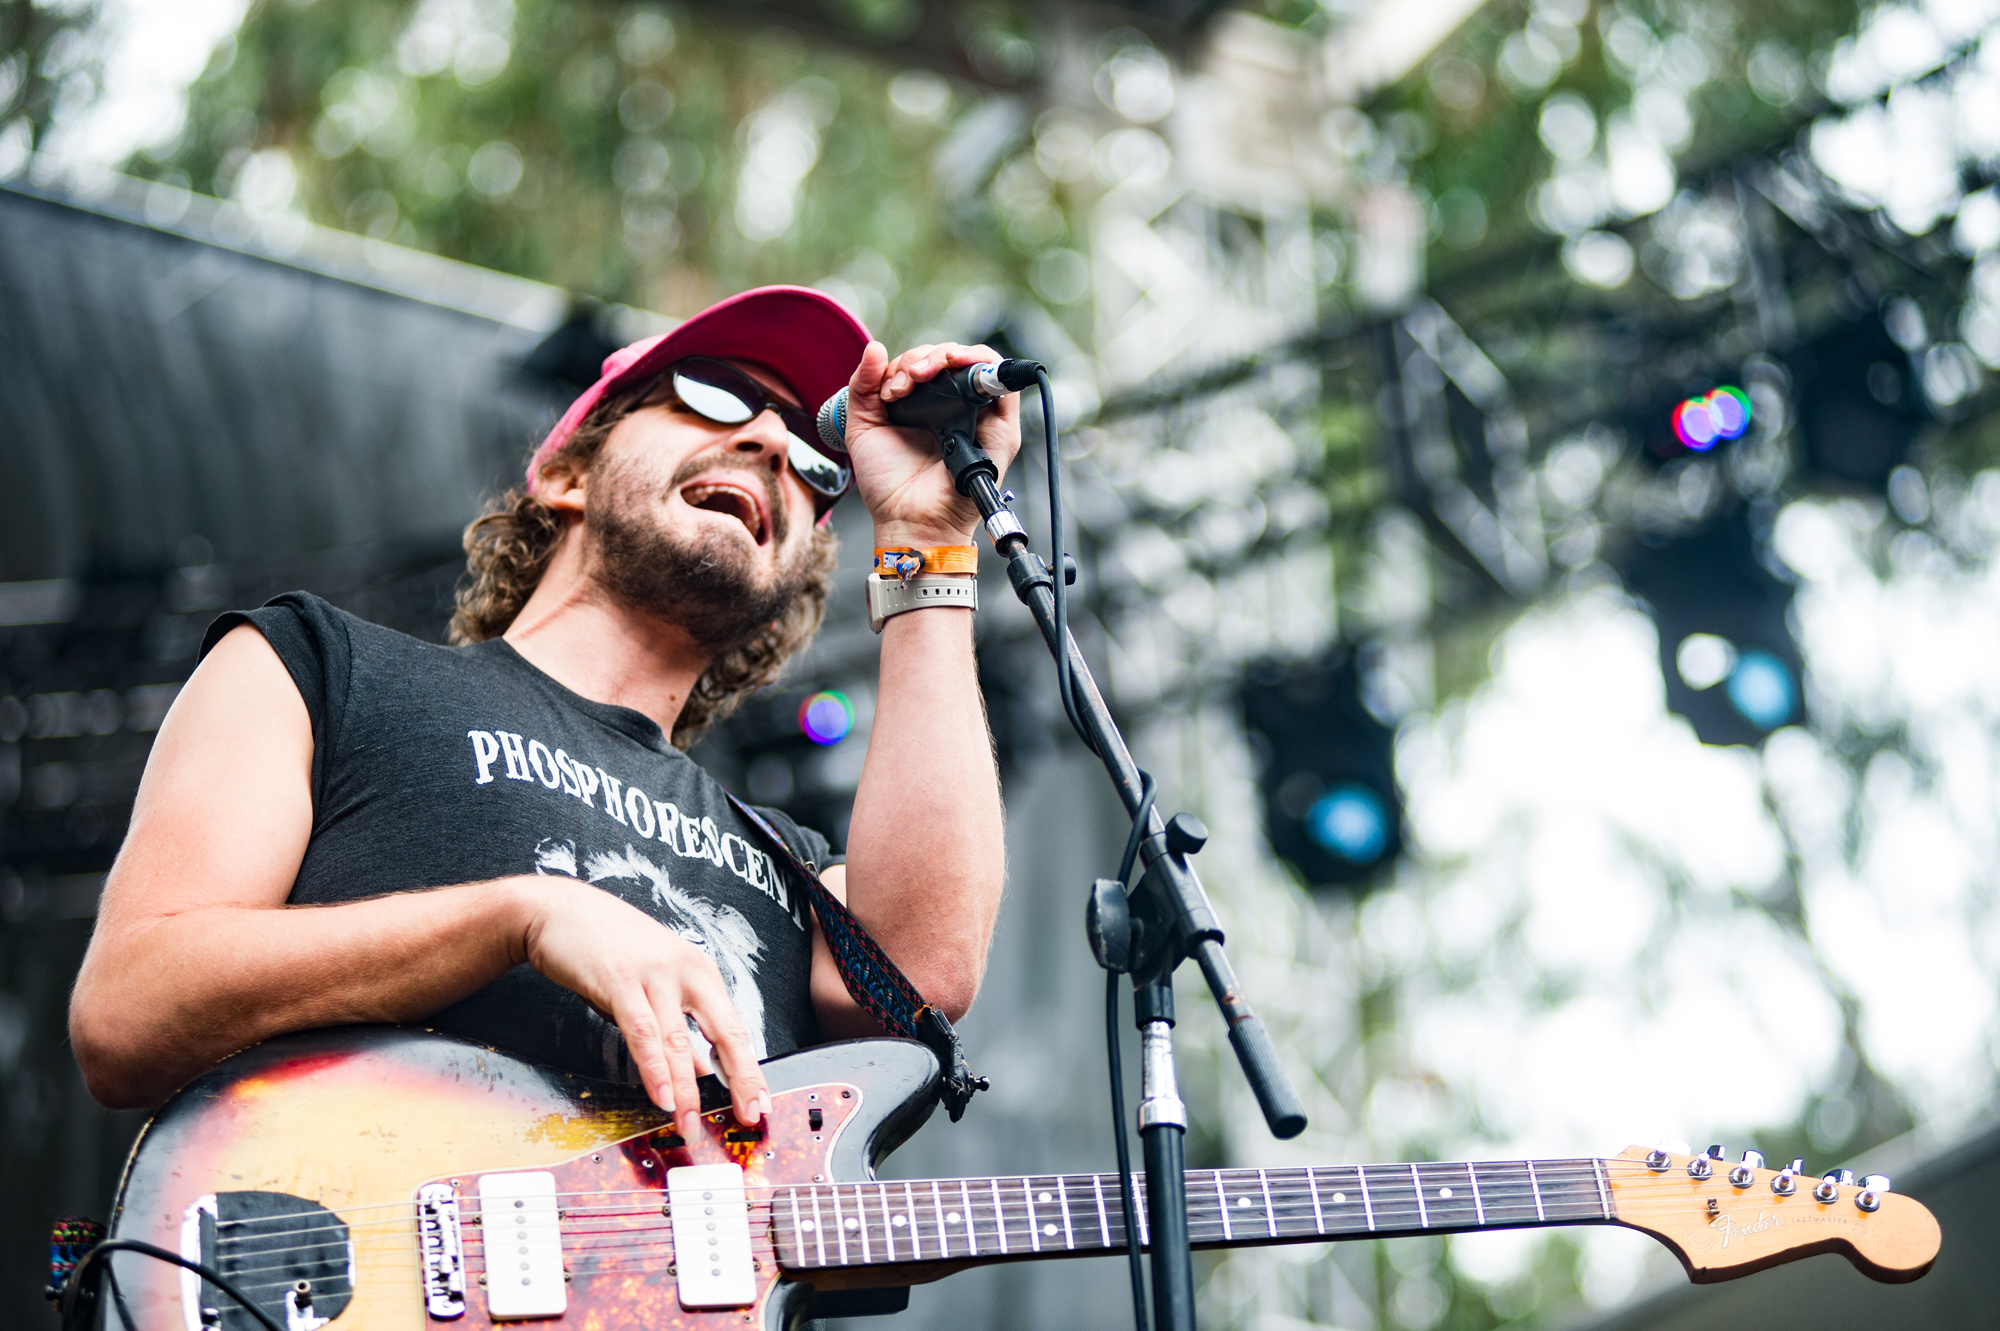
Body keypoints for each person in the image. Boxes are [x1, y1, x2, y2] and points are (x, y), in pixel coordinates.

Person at [67, 286, 1015, 1129]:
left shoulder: (796, 874)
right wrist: (519, 916)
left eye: (813, 462)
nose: (773, 442)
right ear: (567, 473)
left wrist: (927, 536)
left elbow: (921, 978)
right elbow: (129, 1010)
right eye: (714, 396)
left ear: (801, 567)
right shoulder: (316, 666)